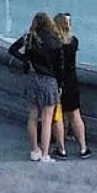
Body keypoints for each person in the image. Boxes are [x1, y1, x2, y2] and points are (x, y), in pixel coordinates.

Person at [8, 12, 65, 163]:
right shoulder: (55, 40)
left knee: (33, 116)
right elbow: (60, 67)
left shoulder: (29, 37)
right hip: (49, 81)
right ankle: (45, 154)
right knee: (47, 119)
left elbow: (12, 49)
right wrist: (60, 84)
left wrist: (25, 60)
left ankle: (34, 150)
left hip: (33, 79)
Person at [53, 13, 91, 159]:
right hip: (72, 82)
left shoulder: (55, 44)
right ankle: (83, 148)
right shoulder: (74, 41)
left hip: (58, 83)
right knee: (76, 116)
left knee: (58, 117)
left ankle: (61, 150)